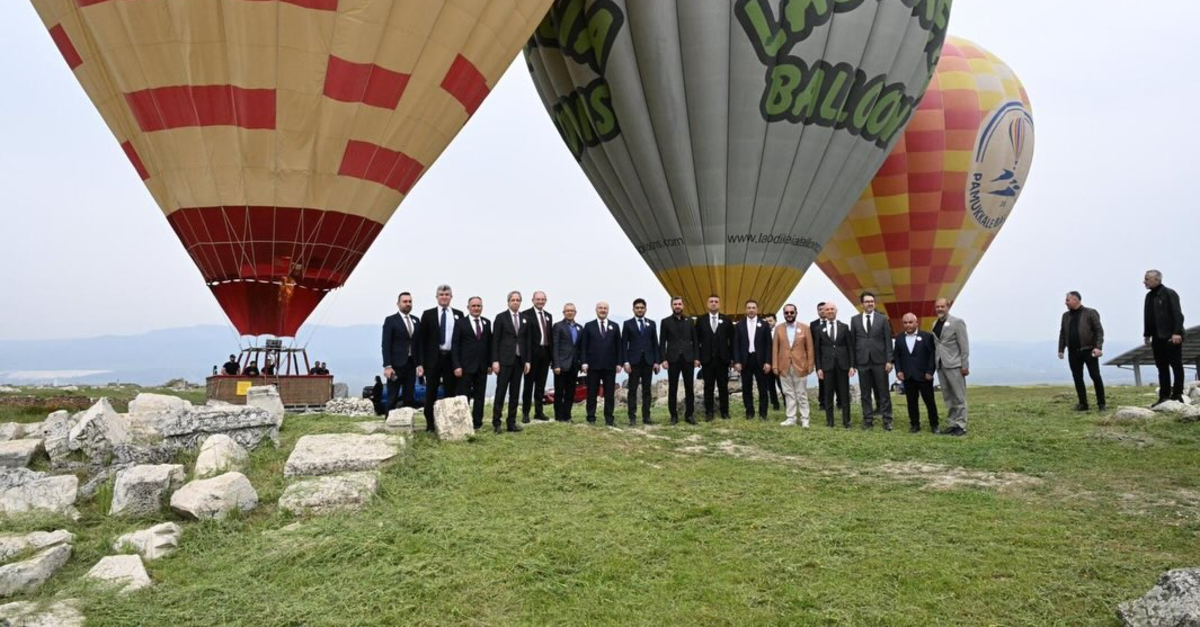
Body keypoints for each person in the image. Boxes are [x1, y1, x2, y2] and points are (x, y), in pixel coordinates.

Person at [419, 285, 463, 432]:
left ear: (451, 297)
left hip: (451, 358)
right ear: (437, 297)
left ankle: (448, 422)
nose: (444, 297)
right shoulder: (428, 314)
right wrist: (421, 363)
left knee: (450, 392)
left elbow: (461, 340)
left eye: (447, 294)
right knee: (431, 391)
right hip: (433, 359)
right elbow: (421, 341)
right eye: (441, 294)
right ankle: (430, 424)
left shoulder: (459, 314)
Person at [850, 292, 894, 430]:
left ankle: (887, 420)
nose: (870, 303)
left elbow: (888, 341)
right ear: (862, 304)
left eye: (872, 301)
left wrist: (889, 360)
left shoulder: (882, 319)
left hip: (880, 361)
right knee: (865, 393)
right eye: (867, 301)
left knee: (883, 392)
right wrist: (853, 363)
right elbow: (853, 342)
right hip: (862, 361)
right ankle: (868, 420)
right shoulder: (855, 320)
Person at [1143, 270, 1186, 405]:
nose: (1144, 281)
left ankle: (1177, 394)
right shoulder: (1149, 296)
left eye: (1147, 279)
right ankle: (1164, 396)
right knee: (1161, 367)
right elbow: (1148, 316)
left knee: (1176, 365)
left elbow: (1178, 314)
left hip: (1171, 336)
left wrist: (1177, 332)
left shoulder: (1169, 293)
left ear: (1157, 280)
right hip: (1157, 337)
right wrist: (1147, 334)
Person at [1058, 291, 1106, 411]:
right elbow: (1062, 333)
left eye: (1067, 300)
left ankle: (1101, 404)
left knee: (1095, 376)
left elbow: (1099, 331)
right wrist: (1061, 349)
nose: (1065, 302)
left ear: (1075, 300)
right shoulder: (1065, 316)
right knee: (1077, 377)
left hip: (1089, 350)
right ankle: (1083, 404)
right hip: (1073, 352)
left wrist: (1098, 347)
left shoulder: (1090, 313)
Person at [451, 296, 493, 431]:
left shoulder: (487, 323)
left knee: (480, 396)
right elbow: (455, 345)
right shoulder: (461, 323)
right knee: (464, 396)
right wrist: (457, 365)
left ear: (482, 307)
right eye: (473, 306)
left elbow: (489, 345)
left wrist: (489, 364)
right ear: (468, 307)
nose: (476, 308)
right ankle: (463, 423)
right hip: (465, 367)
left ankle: (477, 423)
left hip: (482, 366)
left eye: (479, 306)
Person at [893, 313, 939, 433]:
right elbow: (897, 356)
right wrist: (898, 371)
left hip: (924, 376)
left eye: (910, 322)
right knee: (911, 402)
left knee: (929, 402)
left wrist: (930, 371)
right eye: (905, 323)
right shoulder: (899, 338)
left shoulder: (927, 336)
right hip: (908, 376)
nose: (908, 325)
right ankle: (914, 424)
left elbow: (932, 355)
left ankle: (934, 424)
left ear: (916, 322)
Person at [491, 291, 529, 433]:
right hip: (504, 361)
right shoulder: (501, 318)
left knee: (515, 392)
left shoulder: (525, 318)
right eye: (513, 300)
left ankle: (511, 422)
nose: (515, 302)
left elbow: (527, 341)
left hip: (519, 361)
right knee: (501, 392)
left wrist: (528, 361)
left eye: (518, 300)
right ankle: (496, 423)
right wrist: (495, 360)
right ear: (508, 302)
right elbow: (495, 340)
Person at [580, 301, 623, 426]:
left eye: (605, 308)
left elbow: (619, 346)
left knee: (609, 393)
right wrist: (583, 362)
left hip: (610, 366)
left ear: (608, 310)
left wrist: (619, 363)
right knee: (592, 393)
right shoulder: (589, 326)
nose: (603, 310)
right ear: (596, 310)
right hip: (593, 366)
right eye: (600, 308)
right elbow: (584, 346)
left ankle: (609, 418)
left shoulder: (614, 326)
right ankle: (591, 417)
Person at [771, 304, 814, 427]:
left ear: (796, 313)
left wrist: (810, 365)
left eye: (791, 312)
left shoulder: (805, 328)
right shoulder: (778, 328)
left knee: (801, 393)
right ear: (784, 314)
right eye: (786, 313)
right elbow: (775, 348)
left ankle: (805, 419)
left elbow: (810, 348)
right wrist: (775, 365)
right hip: (783, 366)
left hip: (800, 365)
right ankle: (791, 418)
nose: (789, 315)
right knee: (788, 393)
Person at [932, 298, 970, 436]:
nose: (940, 309)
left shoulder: (957, 322)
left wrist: (964, 365)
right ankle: (952, 423)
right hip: (941, 365)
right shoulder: (935, 323)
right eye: (937, 307)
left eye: (942, 306)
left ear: (948, 307)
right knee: (948, 396)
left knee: (958, 396)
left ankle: (961, 425)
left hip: (954, 364)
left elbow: (964, 346)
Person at [815, 304, 855, 428]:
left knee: (844, 394)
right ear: (824, 312)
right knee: (828, 394)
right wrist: (819, 367)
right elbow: (817, 350)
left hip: (843, 365)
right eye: (827, 309)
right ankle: (830, 421)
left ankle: (846, 421)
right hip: (827, 366)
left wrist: (852, 365)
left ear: (836, 311)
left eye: (832, 309)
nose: (830, 311)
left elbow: (850, 348)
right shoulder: (819, 329)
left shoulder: (844, 327)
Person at [659, 296, 697, 425]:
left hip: (688, 359)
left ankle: (689, 415)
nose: (677, 306)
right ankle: (673, 416)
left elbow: (695, 341)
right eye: (675, 304)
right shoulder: (665, 322)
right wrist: (663, 359)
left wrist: (696, 358)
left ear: (683, 306)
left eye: (679, 304)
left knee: (689, 388)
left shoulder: (690, 321)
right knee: (673, 388)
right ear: (671, 306)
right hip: (672, 359)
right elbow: (662, 342)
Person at [622, 298, 660, 426]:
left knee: (647, 390)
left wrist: (657, 361)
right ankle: (632, 417)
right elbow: (624, 344)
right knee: (632, 390)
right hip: (633, 362)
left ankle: (646, 417)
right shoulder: (627, 324)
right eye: (637, 308)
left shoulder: (652, 323)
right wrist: (625, 362)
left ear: (645, 309)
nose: (639, 310)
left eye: (642, 308)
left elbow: (655, 343)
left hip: (648, 361)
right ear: (633, 309)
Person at [733, 300, 773, 420]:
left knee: (763, 388)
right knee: (746, 388)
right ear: (745, 310)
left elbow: (768, 345)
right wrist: (737, 361)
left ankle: (763, 414)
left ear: (757, 309)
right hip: (745, 360)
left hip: (760, 360)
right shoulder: (739, 325)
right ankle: (749, 412)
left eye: (753, 307)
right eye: (749, 307)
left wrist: (768, 362)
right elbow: (736, 345)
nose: (751, 310)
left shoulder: (764, 324)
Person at [382, 291, 422, 412]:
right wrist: (387, 366)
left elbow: (418, 344)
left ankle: (406, 422)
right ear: (398, 304)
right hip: (395, 365)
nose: (408, 304)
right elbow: (386, 344)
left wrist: (420, 364)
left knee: (409, 396)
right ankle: (389, 423)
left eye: (410, 301)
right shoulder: (391, 320)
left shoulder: (416, 320)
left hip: (411, 364)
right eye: (405, 302)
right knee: (393, 396)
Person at [696, 294, 733, 420]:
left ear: (719, 304)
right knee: (708, 387)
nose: (713, 303)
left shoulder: (727, 320)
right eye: (711, 301)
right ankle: (709, 412)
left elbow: (732, 340)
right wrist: (697, 357)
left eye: (716, 301)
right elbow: (696, 341)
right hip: (707, 360)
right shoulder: (701, 320)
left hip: (723, 360)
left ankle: (724, 412)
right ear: (707, 304)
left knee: (723, 387)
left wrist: (732, 358)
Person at [521, 291, 554, 423]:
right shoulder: (525, 315)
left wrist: (551, 357)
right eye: (538, 299)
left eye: (543, 299)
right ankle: (526, 413)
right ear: (533, 300)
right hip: (532, 355)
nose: (540, 301)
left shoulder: (548, 316)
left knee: (541, 385)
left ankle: (539, 412)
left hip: (545, 353)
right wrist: (526, 359)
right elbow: (524, 338)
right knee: (529, 385)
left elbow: (549, 336)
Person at [551, 303, 584, 422]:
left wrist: (581, 363)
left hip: (574, 365)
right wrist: (556, 364)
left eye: (572, 311)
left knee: (571, 392)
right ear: (563, 312)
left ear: (575, 312)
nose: (570, 312)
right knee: (559, 391)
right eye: (567, 311)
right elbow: (555, 346)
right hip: (561, 365)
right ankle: (559, 416)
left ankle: (567, 415)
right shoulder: (558, 326)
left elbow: (580, 348)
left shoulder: (580, 328)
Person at [763, 313, 783, 411]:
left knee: (782, 384)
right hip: (767, 363)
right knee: (770, 385)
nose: (768, 323)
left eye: (770, 321)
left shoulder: (780, 332)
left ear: (775, 321)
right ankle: (775, 404)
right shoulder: (761, 332)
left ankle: (787, 402)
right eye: (766, 321)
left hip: (779, 363)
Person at [811, 303, 829, 411]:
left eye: (824, 309)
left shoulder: (835, 323)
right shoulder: (813, 324)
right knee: (821, 380)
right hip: (820, 357)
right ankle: (822, 403)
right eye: (820, 309)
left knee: (836, 380)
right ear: (817, 311)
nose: (822, 311)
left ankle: (839, 402)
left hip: (833, 356)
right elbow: (812, 341)